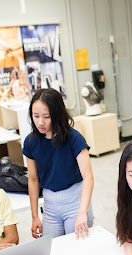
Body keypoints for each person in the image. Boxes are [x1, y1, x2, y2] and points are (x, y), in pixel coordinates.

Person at [22, 88, 94, 239]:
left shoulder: (74, 138)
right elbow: (33, 179)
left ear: (57, 115)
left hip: (74, 201)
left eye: (46, 117)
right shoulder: (30, 142)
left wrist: (82, 213)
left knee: (77, 251)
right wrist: (35, 216)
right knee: (53, 252)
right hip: (49, 205)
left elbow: (88, 177)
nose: (40, 122)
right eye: (36, 116)